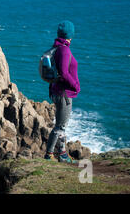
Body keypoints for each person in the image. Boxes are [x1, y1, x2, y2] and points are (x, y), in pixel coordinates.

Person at [44, 20, 80, 163]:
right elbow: (64, 73)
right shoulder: (64, 50)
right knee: (60, 126)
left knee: (61, 126)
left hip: (56, 91)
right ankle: (49, 154)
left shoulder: (56, 47)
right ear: (70, 35)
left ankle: (63, 154)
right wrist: (75, 86)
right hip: (63, 93)